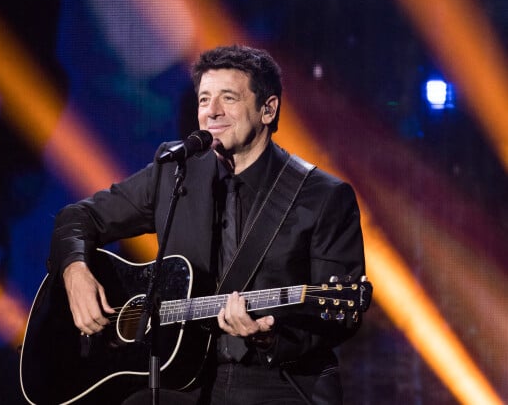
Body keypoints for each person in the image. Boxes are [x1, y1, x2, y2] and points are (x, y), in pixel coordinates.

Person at [48, 44, 367, 405]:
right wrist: (74, 272)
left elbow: (338, 317)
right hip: (183, 378)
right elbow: (78, 217)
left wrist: (267, 337)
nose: (211, 113)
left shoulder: (323, 196)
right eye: (203, 100)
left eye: (228, 98)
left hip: (276, 380)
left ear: (268, 109)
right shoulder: (176, 171)